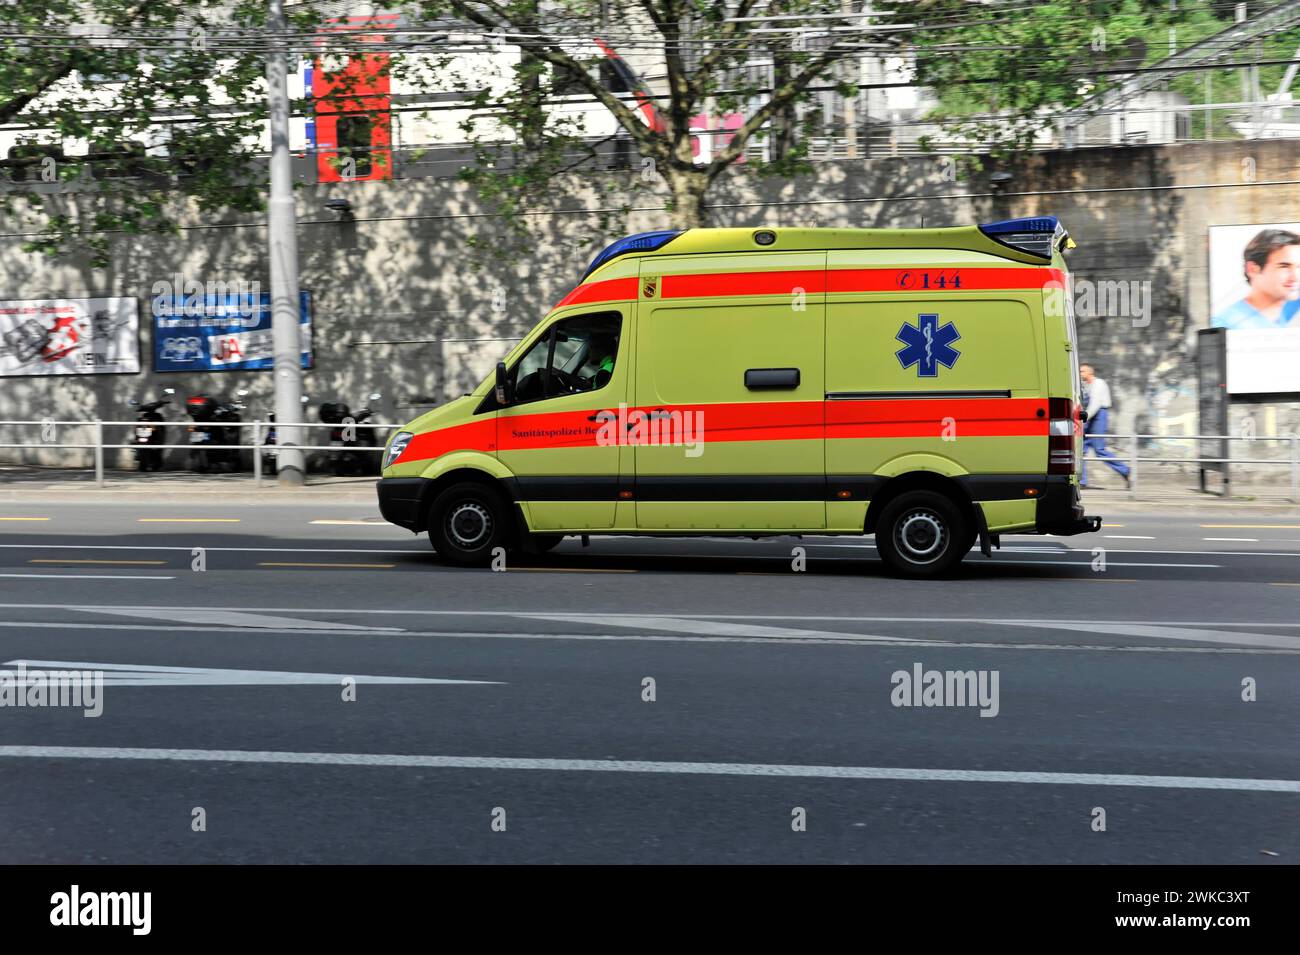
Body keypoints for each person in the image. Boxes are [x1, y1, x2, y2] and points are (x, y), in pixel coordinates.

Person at [1212, 228, 1300, 329]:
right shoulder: (1224, 326)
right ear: (1253, 269)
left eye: (1299, 267)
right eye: (1284, 266)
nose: (1296, 277)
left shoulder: (1283, 308)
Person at [1080, 363, 1130, 489]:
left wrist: (1085, 418)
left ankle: (1125, 471)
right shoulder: (1085, 385)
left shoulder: (1099, 384)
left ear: (1090, 373)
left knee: (1099, 450)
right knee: (1080, 449)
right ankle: (1082, 481)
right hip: (1090, 416)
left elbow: (1095, 404)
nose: (1080, 373)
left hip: (1099, 415)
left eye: (1082, 371)